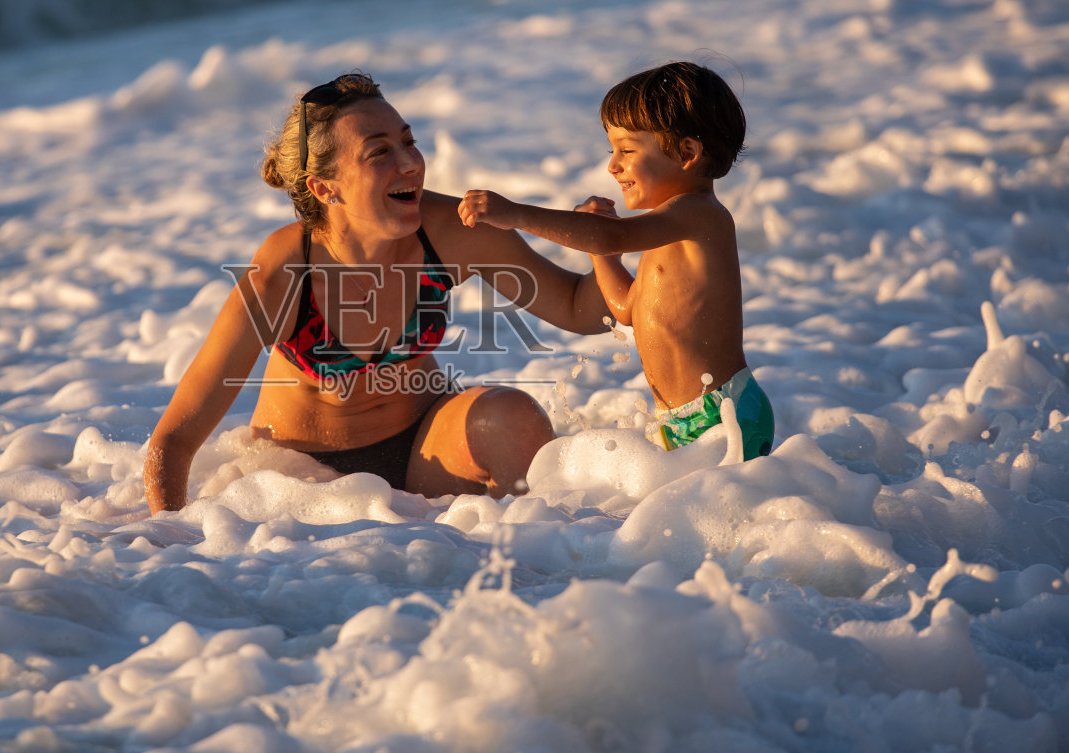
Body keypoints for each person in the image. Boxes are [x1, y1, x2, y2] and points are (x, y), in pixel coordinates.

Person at [144, 73, 610, 513]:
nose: (410, 163)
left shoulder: (453, 233)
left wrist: (605, 246)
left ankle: (531, 568)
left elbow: (582, 311)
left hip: (425, 448)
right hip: (305, 484)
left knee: (512, 417)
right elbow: (174, 441)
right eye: (379, 152)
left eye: (408, 142)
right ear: (325, 188)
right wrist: (172, 544)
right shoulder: (285, 275)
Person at [458, 62, 773, 458]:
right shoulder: (668, 230)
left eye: (627, 150)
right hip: (682, 421)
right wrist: (600, 255)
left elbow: (614, 237)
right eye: (612, 151)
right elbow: (628, 310)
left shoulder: (700, 215)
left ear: (688, 152)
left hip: (724, 413)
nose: (613, 165)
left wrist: (518, 215)